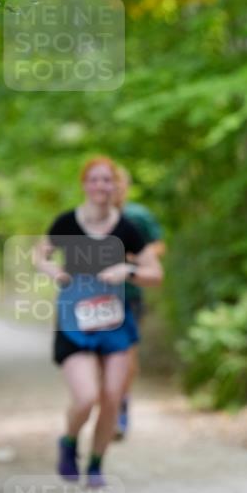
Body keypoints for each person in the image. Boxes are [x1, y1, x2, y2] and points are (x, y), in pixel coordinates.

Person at [34, 156, 163, 486]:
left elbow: (154, 274)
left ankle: (94, 464)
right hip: (75, 320)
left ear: (115, 185)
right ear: (84, 184)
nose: (101, 186)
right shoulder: (67, 223)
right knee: (86, 397)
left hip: (115, 321)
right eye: (95, 179)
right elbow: (39, 254)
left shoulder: (127, 229)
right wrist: (55, 272)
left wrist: (128, 271)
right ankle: (69, 441)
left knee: (111, 396)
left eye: (107, 180)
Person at [112, 167, 165, 439]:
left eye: (118, 182)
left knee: (127, 357)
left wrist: (132, 258)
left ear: (126, 185)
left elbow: (158, 246)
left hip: (129, 295)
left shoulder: (138, 216)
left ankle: (120, 406)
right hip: (95, 298)